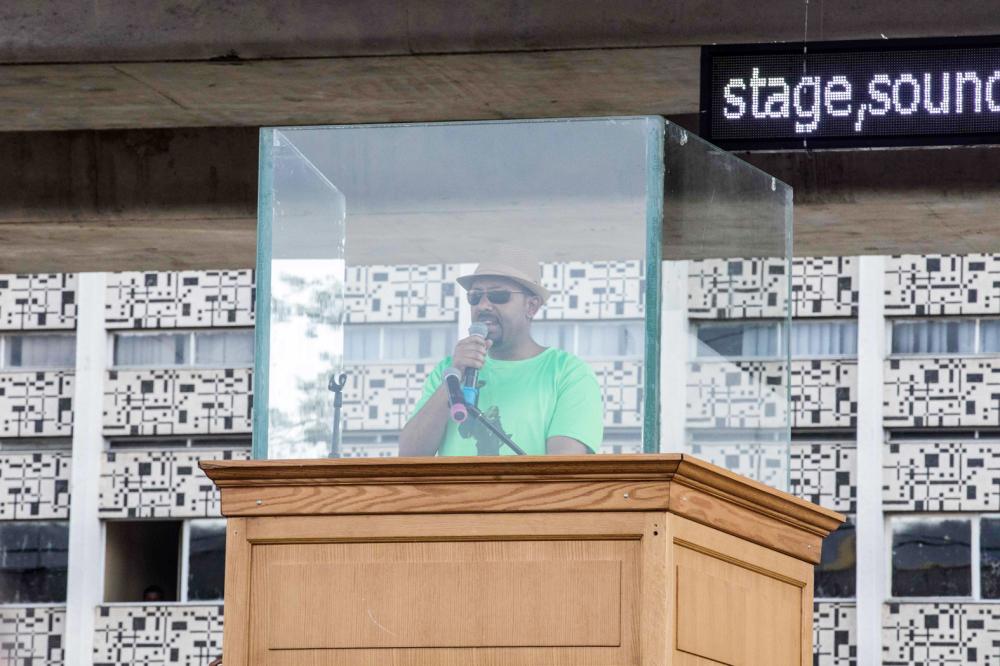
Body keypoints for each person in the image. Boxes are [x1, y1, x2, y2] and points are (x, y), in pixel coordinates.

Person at [399, 257, 603, 456]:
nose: (483, 306)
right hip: (456, 492)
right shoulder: (449, 370)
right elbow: (409, 456)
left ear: (531, 306)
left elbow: (564, 470)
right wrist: (455, 376)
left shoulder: (567, 372)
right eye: (475, 297)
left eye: (498, 296)